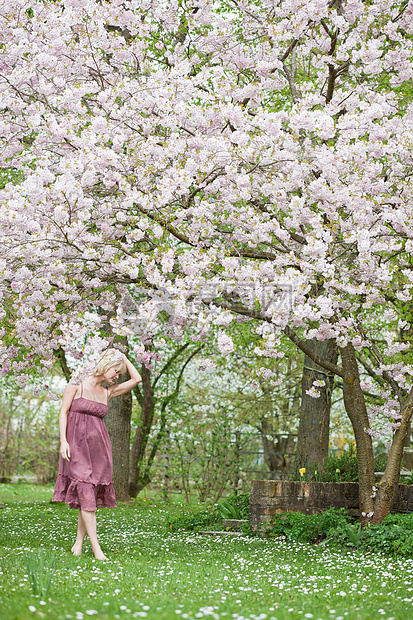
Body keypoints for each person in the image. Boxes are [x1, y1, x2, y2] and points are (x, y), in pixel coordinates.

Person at [52, 348, 141, 560]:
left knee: (88, 494)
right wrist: (64, 441)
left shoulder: (108, 391)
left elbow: (137, 378)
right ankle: (97, 549)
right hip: (76, 447)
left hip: (99, 449)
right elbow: (63, 412)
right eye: (115, 370)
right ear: (104, 364)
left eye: (119, 372)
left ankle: (78, 544)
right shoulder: (76, 383)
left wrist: (122, 356)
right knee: (85, 490)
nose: (117, 375)